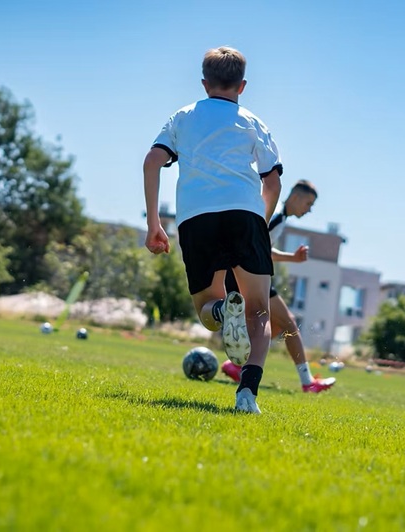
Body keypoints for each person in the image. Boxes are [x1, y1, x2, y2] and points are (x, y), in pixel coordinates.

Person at [143, 46, 282, 414]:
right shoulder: (253, 122)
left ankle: (223, 312)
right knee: (259, 312)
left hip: (196, 217)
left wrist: (154, 223)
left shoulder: (183, 116)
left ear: (204, 83)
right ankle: (247, 394)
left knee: (206, 309)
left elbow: (153, 161)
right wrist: (260, 224)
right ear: (243, 86)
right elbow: (272, 182)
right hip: (245, 213)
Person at [221, 180, 336, 393]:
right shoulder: (274, 216)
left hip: (250, 273)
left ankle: (237, 366)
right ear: (296, 197)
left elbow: (263, 249)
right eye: (308, 203)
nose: (309, 210)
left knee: (279, 325)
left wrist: (292, 258)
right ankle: (307, 382)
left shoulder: (279, 218)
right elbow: (253, 246)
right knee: (290, 324)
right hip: (250, 274)